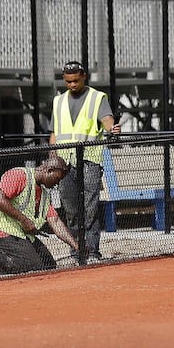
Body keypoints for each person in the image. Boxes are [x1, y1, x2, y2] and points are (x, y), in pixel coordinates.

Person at [49, 59, 119, 262]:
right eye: (68, 81)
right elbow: (54, 133)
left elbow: (107, 120)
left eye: (76, 81)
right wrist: (53, 156)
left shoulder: (97, 98)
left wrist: (112, 128)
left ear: (84, 77)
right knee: (70, 208)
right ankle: (76, 251)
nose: (72, 85)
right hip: (65, 160)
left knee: (90, 206)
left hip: (89, 159)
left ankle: (93, 251)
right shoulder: (58, 101)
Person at [0, 154, 81, 275]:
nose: (57, 184)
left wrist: (77, 246)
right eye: (57, 179)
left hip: (20, 234)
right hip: (1, 232)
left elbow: (56, 222)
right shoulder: (19, 175)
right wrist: (24, 220)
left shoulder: (45, 194)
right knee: (34, 265)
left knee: (48, 264)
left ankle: (3, 256)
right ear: (49, 170)